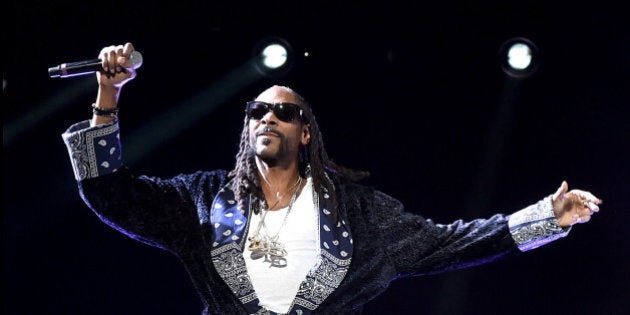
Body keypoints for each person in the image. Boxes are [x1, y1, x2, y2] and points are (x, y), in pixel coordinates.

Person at [61, 42, 602, 315]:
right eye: (256, 111)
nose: (266, 118)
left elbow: (451, 243)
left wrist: (544, 218)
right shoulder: (204, 199)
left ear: (305, 135)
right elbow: (112, 194)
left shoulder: (359, 213)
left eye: (284, 113)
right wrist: (108, 99)